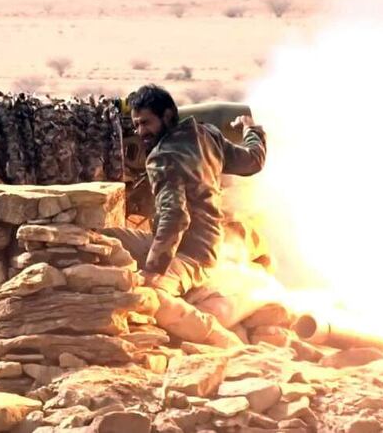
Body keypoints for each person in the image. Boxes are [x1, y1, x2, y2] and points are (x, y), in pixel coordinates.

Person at [105, 84, 267, 345]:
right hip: (201, 240)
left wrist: (153, 270)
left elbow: (175, 217)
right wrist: (252, 130)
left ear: (168, 116)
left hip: (191, 252)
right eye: (136, 125)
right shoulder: (207, 134)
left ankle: (223, 340)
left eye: (146, 123)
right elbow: (252, 161)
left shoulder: (163, 157)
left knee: (151, 296)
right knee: (102, 239)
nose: (140, 132)